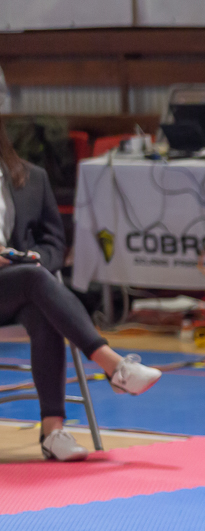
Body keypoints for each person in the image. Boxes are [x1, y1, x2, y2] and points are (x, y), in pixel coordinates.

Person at [0, 126, 160, 461]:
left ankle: (53, 431)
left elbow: (53, 243)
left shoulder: (32, 177)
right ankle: (113, 365)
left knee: (40, 304)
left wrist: (29, 258)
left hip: (18, 285)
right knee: (34, 281)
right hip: (23, 283)